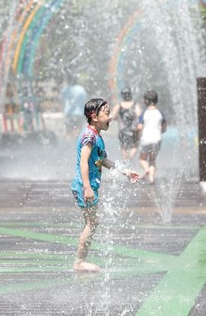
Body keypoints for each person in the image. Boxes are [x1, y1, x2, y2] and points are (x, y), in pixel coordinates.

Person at [71, 98, 140, 272]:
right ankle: (79, 262)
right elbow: (84, 162)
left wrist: (124, 171)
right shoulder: (89, 137)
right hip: (84, 186)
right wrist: (87, 187)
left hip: (89, 186)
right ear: (94, 116)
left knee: (91, 222)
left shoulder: (97, 137)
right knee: (92, 223)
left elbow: (102, 160)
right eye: (107, 113)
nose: (110, 117)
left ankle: (80, 260)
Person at [137, 90, 167, 184]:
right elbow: (164, 128)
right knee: (152, 160)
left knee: (142, 159)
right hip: (157, 139)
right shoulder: (160, 113)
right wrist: (160, 130)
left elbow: (139, 127)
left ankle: (146, 169)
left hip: (146, 139)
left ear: (146, 101)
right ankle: (151, 179)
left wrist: (137, 132)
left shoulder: (144, 113)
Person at [110, 87, 141, 160]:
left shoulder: (119, 105)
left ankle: (125, 161)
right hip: (133, 130)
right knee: (135, 145)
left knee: (123, 147)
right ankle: (130, 159)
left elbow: (113, 116)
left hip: (122, 130)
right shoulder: (135, 105)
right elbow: (139, 115)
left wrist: (118, 118)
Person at [60, 75, 87, 140]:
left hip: (69, 113)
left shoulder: (65, 89)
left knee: (69, 131)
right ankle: (77, 145)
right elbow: (85, 101)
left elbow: (62, 101)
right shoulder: (81, 89)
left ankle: (68, 146)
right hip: (79, 113)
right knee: (78, 131)